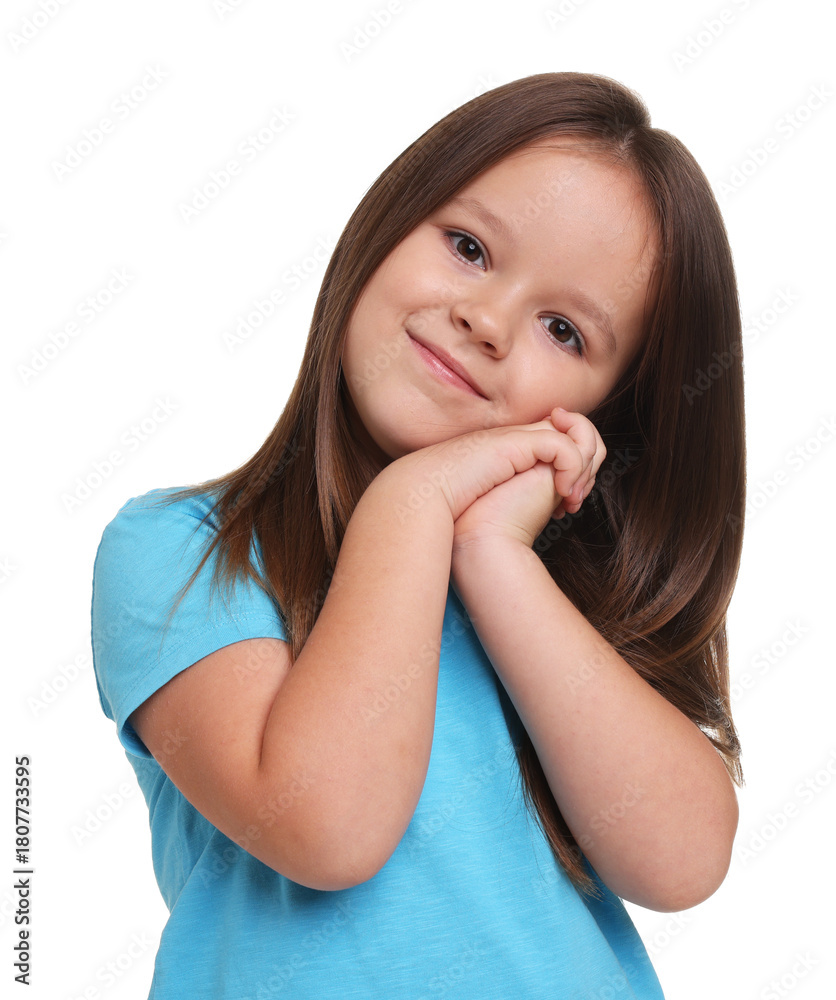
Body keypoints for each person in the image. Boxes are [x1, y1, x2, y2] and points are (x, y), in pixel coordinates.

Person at [90, 71, 745, 998]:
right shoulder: (186, 553)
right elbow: (326, 825)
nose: (485, 320)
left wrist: (494, 556)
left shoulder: (560, 611)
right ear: (387, 221)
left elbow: (682, 863)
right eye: (470, 247)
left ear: (606, 414)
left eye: (563, 329)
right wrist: (413, 503)